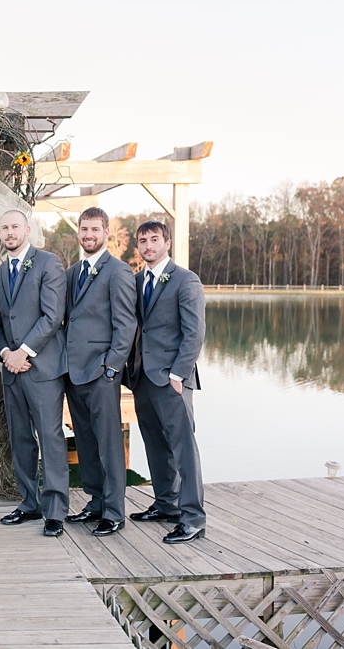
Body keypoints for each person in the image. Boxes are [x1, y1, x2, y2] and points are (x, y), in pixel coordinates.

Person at [0, 210, 71, 537]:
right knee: (21, 437)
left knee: (50, 437)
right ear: (0, 233)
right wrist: (7, 353)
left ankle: (55, 511)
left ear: (27, 229)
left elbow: (53, 316)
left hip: (43, 367)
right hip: (12, 369)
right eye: (4, 228)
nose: (10, 232)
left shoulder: (48, 263)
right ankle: (29, 502)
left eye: (14, 227)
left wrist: (25, 351)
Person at [126, 220, 207, 543]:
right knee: (156, 445)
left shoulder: (185, 281)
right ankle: (165, 504)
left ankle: (193, 518)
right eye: (143, 240)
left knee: (183, 449)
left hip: (172, 378)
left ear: (167, 243)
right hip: (142, 378)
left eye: (154, 239)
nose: (148, 245)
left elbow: (194, 332)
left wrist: (178, 374)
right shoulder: (135, 282)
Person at [64, 207, 137, 537]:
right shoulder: (73, 272)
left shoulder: (118, 272)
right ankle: (95, 502)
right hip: (73, 372)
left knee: (108, 444)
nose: (88, 234)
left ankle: (114, 511)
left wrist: (111, 369)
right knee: (86, 442)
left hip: (101, 373)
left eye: (94, 229)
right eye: (83, 229)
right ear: (78, 232)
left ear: (106, 232)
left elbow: (126, 325)